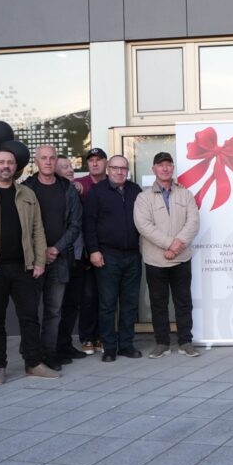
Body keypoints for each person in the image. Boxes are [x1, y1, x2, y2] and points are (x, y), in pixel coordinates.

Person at [0, 148, 56, 384]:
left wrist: (39, 261)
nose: (6, 166)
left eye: (10, 162)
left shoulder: (27, 194)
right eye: (1, 162)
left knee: (30, 318)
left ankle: (33, 363)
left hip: (23, 267)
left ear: (15, 167)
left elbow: (37, 229)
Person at [134, 152, 201, 358]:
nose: (165, 168)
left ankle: (185, 341)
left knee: (183, 302)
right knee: (158, 304)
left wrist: (177, 245)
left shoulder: (185, 194)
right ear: (154, 169)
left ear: (173, 168)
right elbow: (143, 225)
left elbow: (193, 222)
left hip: (181, 258)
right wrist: (170, 244)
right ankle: (162, 343)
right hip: (155, 260)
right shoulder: (143, 197)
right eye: (160, 165)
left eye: (168, 164)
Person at [24, 145, 82, 371]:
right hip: (32, 260)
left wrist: (56, 249)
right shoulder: (26, 188)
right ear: (36, 161)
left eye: (52, 158)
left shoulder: (67, 189)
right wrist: (40, 251)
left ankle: (49, 354)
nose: (48, 162)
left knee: (54, 310)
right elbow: (21, 225)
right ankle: (32, 354)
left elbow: (75, 224)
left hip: (59, 258)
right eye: (44, 158)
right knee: (30, 311)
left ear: (56, 161)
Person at [84, 154, 144, 362]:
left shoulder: (135, 190)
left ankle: (126, 344)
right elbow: (89, 223)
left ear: (127, 171)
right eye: (116, 168)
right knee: (107, 304)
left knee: (130, 304)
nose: (120, 172)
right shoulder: (97, 192)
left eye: (123, 168)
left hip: (132, 255)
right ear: (108, 169)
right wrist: (93, 250)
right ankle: (109, 347)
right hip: (107, 256)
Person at [73, 147, 108, 354]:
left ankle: (103, 336)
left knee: (106, 296)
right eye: (91, 160)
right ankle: (87, 337)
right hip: (86, 252)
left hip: (108, 250)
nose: (94, 163)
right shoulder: (79, 184)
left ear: (106, 163)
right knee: (88, 296)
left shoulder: (112, 183)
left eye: (98, 159)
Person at [53, 155, 87, 361]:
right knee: (57, 306)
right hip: (60, 257)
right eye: (64, 167)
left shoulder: (75, 190)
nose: (70, 169)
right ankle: (54, 347)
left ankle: (65, 344)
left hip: (78, 256)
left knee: (72, 304)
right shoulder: (56, 194)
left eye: (70, 166)